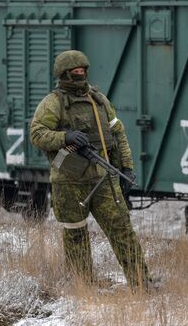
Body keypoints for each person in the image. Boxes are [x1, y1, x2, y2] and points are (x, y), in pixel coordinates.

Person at [30, 50, 150, 290]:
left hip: (103, 177)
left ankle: (142, 285)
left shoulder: (99, 101)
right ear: (64, 75)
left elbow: (117, 134)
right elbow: (37, 134)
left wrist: (126, 166)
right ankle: (83, 288)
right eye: (75, 72)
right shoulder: (53, 103)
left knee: (122, 230)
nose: (80, 75)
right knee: (75, 235)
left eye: (83, 71)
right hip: (69, 180)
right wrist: (65, 137)